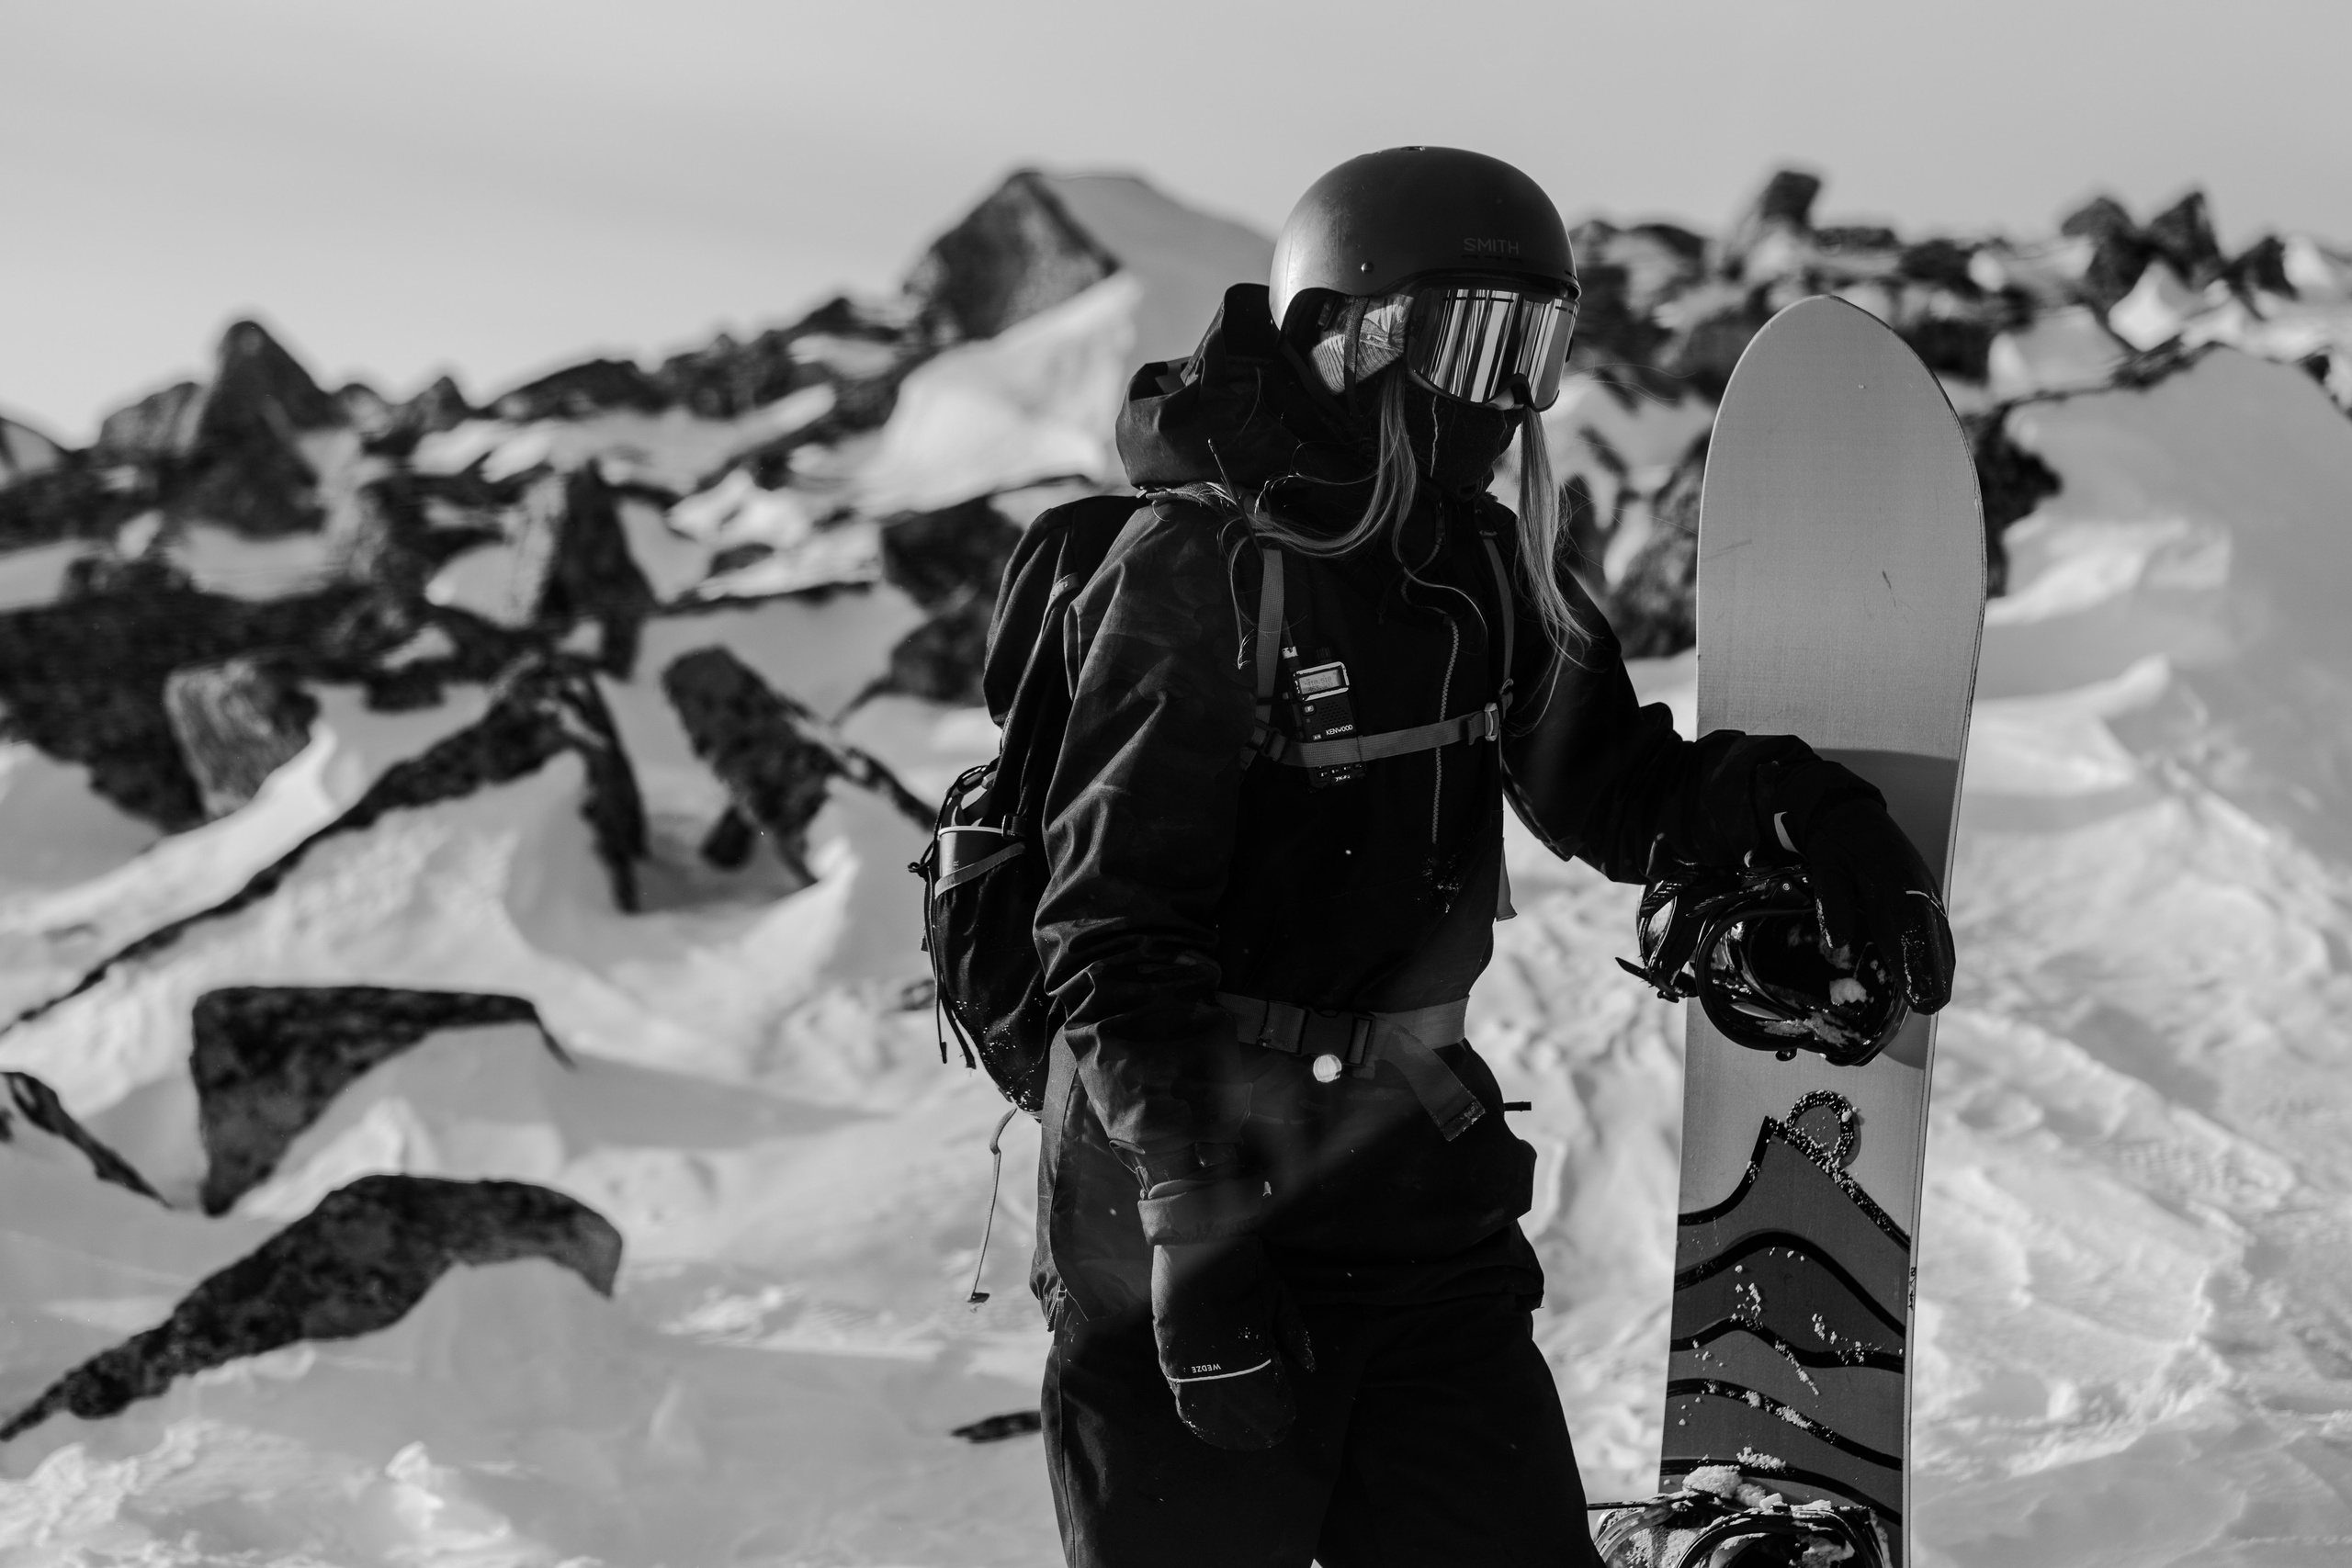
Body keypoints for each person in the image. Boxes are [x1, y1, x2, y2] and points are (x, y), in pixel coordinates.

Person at [1026, 147, 1953, 1568]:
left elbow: (1615, 785)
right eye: (1473, 342)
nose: (1507, 396)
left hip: (1409, 1192)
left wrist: (1806, 814)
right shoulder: (1198, 572)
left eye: (1536, 349)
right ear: (1350, 340)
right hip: (1183, 1204)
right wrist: (1191, 1232)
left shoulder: (1481, 566)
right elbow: (1109, 932)